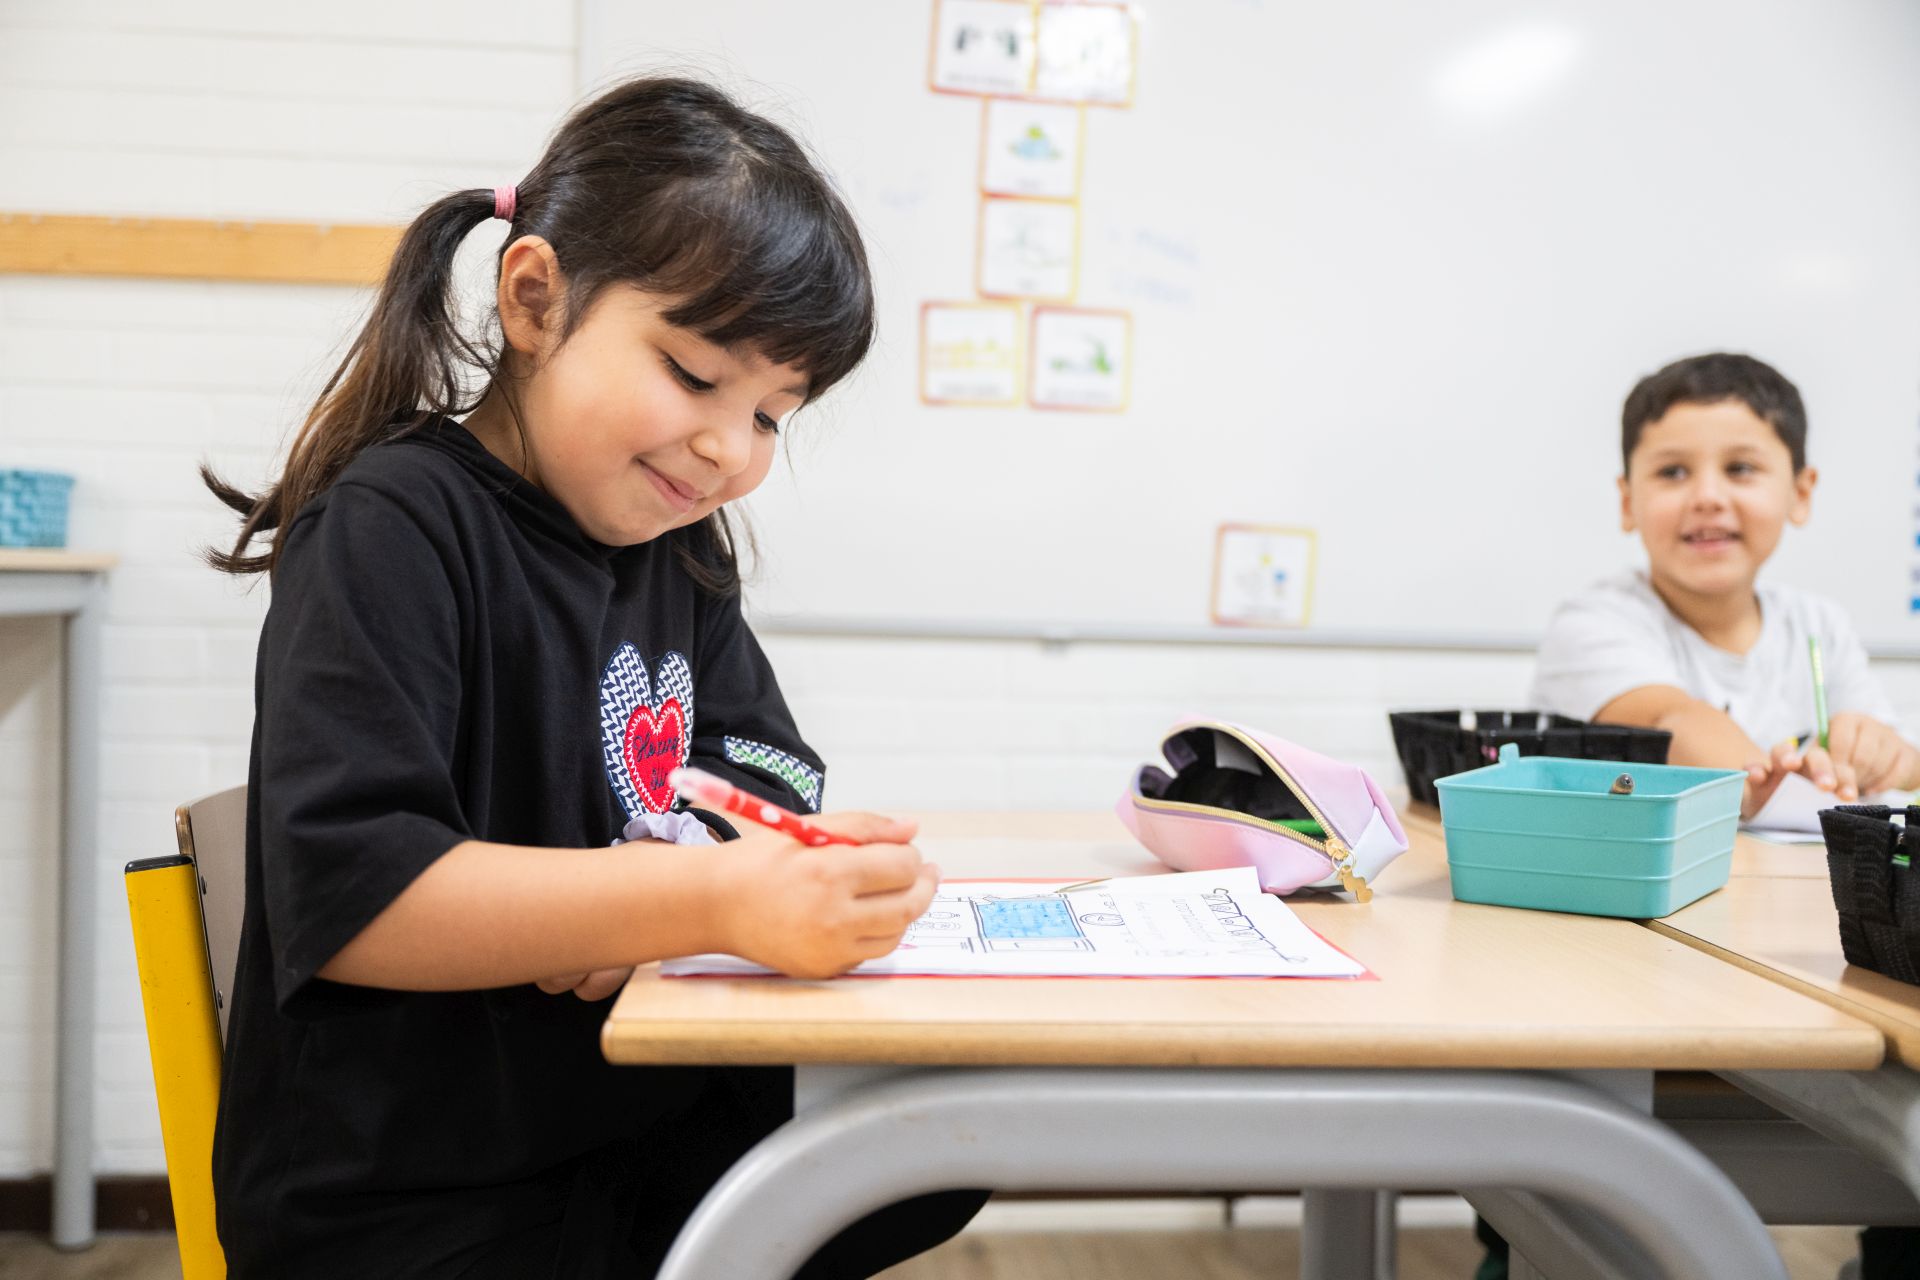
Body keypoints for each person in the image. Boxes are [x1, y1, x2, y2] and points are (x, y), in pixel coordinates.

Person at [202, 76, 984, 1279]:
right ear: (535, 298)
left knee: (932, 1137)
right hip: (415, 1199)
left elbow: (763, 765)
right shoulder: (393, 524)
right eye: (696, 375)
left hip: (608, 1122)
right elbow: (358, 896)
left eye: (773, 415)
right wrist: (691, 900)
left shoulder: (678, 545)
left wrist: (679, 872)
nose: (729, 448)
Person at [1533, 351, 1919, 821]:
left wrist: (1886, 757)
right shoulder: (1592, 625)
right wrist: (1775, 787)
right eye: (1673, 472)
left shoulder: (1819, 624)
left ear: (1800, 493)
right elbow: (1669, 722)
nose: (1708, 497)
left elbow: (1903, 762)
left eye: (1740, 468)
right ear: (1628, 500)